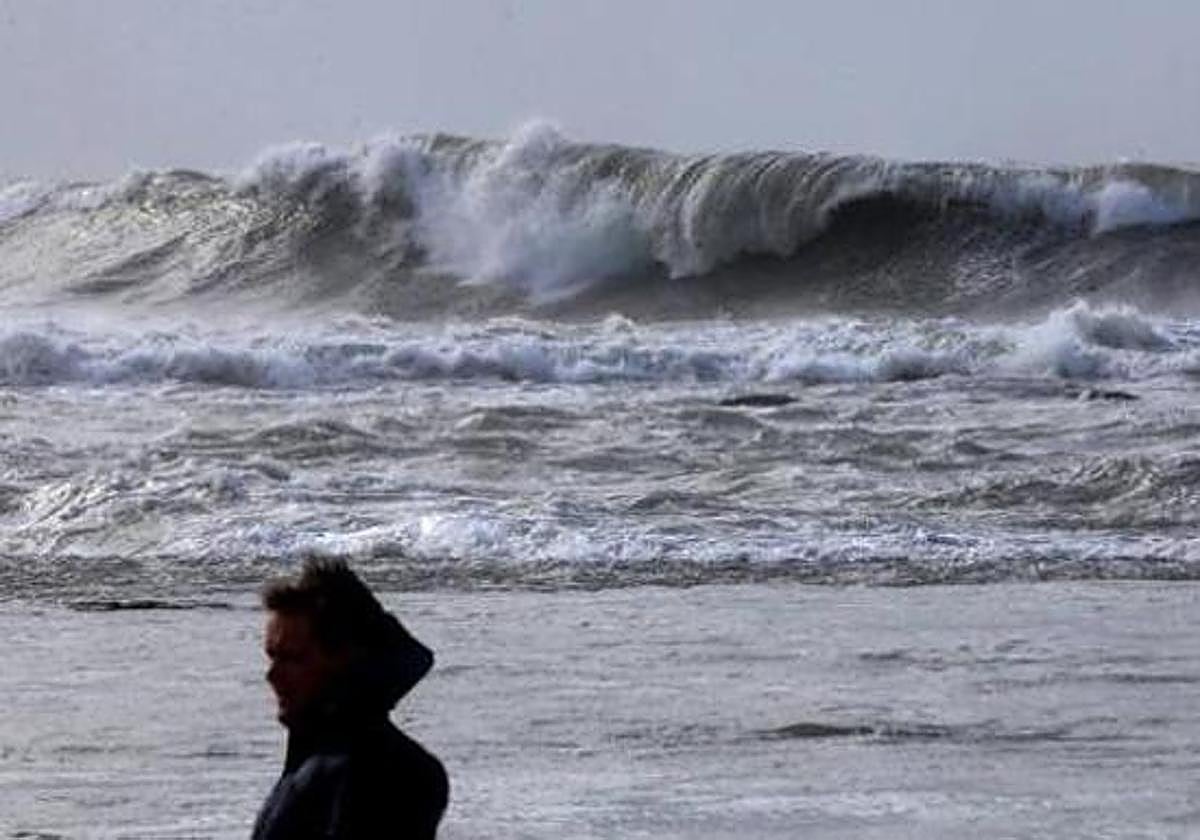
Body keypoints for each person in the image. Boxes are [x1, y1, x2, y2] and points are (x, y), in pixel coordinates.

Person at [252, 558, 448, 839]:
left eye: (292, 659)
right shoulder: (318, 761)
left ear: (345, 658)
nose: (272, 676)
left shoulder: (378, 772)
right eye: (272, 658)